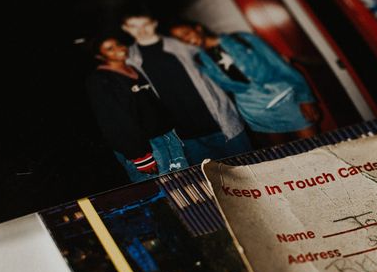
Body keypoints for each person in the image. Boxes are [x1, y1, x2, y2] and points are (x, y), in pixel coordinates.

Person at [120, 13, 252, 164]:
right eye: (134, 26)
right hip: (186, 138)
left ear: (154, 23)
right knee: (211, 184)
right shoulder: (129, 60)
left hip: (223, 126)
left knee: (248, 175)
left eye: (145, 24)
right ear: (126, 29)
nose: (141, 31)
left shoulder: (184, 44)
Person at [167, 20, 321, 146]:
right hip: (255, 111)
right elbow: (226, 88)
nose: (186, 39)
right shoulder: (201, 61)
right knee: (281, 156)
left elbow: (281, 67)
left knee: (313, 149)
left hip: (287, 100)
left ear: (198, 28)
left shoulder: (242, 39)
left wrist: (305, 97)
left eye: (186, 33)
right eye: (180, 39)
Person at [85, 35, 188, 181]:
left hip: (167, 139)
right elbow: (113, 121)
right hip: (146, 148)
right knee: (164, 191)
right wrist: (140, 156)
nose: (119, 49)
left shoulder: (133, 69)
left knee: (186, 184)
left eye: (118, 44)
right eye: (109, 49)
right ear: (99, 56)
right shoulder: (100, 80)